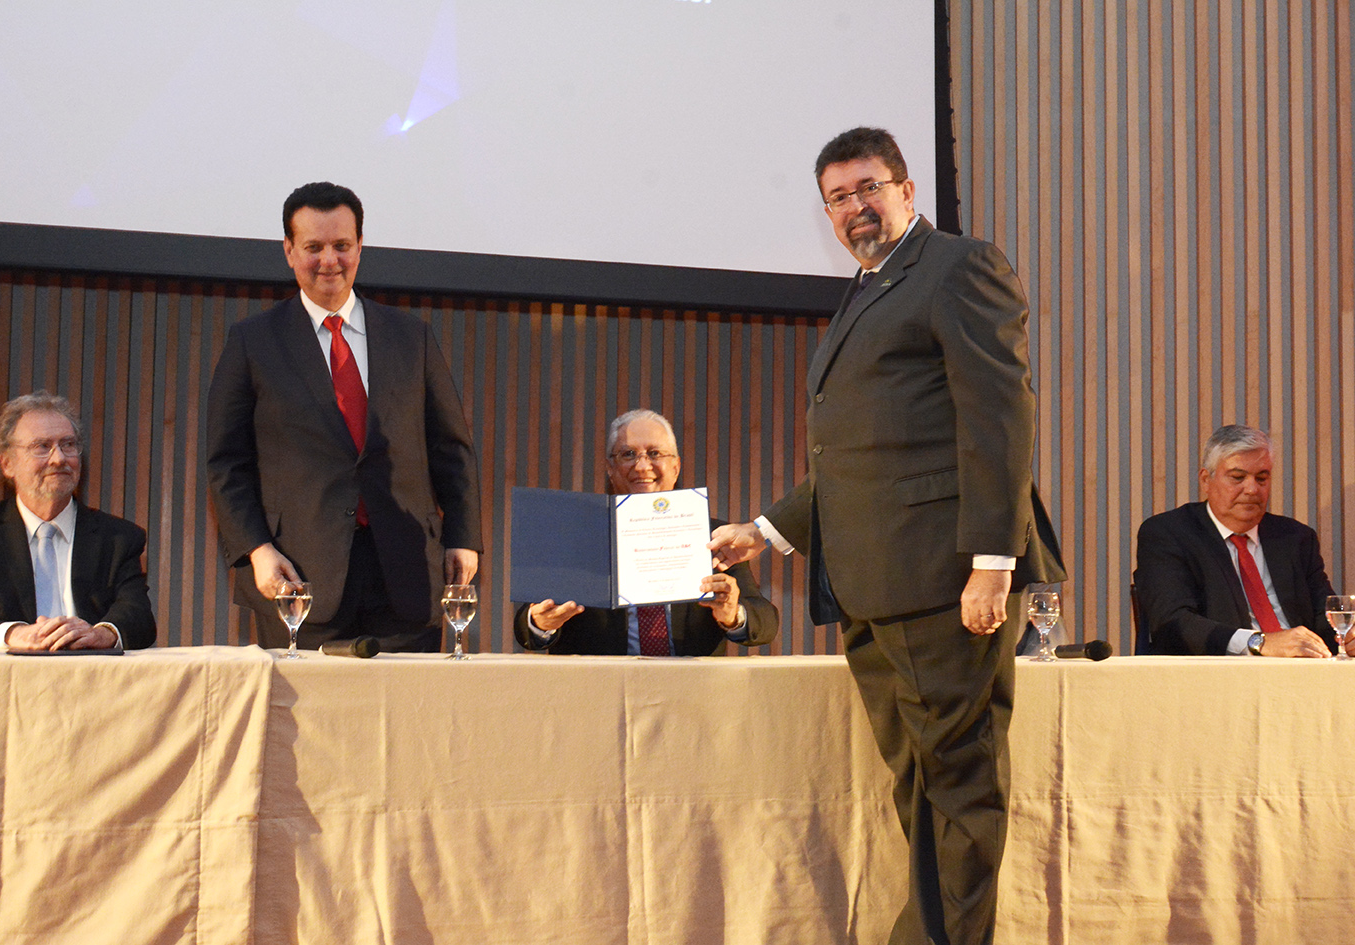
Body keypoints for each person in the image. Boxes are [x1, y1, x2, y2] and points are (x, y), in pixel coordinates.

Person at [708, 127, 1065, 945]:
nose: (855, 207)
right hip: (879, 587)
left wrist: (991, 563)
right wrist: (765, 529)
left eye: (869, 187)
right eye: (838, 197)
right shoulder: (870, 287)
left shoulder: (956, 268)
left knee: (960, 787)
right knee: (922, 784)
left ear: (907, 191)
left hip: (944, 581)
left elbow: (1000, 418)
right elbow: (864, 451)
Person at [206, 181, 482, 652]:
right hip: (297, 580)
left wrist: (464, 537)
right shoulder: (254, 342)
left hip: (409, 575)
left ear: (360, 248)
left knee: (408, 721)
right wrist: (258, 549)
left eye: (342, 246)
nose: (329, 260)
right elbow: (226, 462)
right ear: (289, 251)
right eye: (313, 247)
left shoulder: (410, 337)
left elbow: (450, 447)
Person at [514, 409, 778, 656]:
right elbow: (526, 627)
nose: (642, 466)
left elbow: (766, 622)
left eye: (654, 454)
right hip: (597, 690)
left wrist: (734, 615)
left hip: (692, 690)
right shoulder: (574, 537)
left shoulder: (715, 537)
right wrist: (540, 622)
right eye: (628, 454)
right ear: (610, 468)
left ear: (676, 467)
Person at [0, 391, 156, 650]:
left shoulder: (119, 538)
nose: (59, 459)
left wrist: (102, 634)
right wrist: (16, 635)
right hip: (9, 683)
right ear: (7, 464)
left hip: (93, 679)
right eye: (42, 447)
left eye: (68, 445)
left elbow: (139, 618)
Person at [1135, 424, 1337, 657]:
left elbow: (1325, 615)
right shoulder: (1169, 533)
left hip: (1300, 672)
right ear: (1205, 480)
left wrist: (1345, 635)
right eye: (1238, 477)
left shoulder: (1295, 537)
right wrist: (1258, 643)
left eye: (1262, 478)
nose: (1252, 489)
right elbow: (1174, 623)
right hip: (1216, 675)